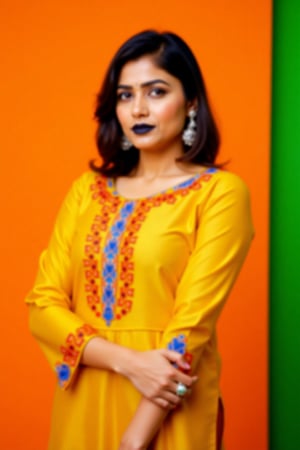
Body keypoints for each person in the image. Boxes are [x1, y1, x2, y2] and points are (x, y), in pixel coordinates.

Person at [25, 30, 254, 450]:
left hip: (165, 406)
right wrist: (130, 364)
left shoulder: (220, 194)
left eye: (156, 91)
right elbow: (42, 307)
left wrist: (134, 439)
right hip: (83, 400)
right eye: (125, 95)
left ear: (191, 103)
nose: (139, 108)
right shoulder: (86, 191)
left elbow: (191, 328)